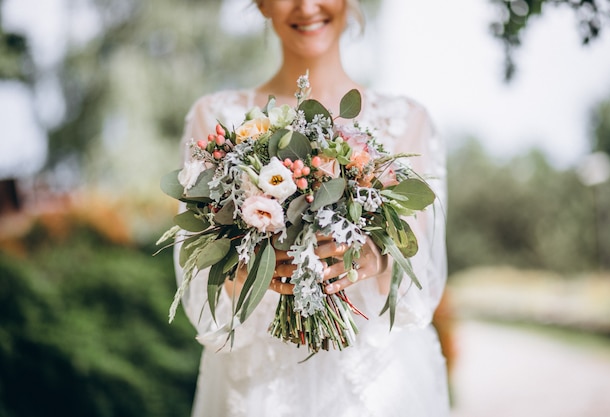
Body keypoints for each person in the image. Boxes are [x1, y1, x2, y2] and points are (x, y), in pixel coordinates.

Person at [174, 1, 450, 416]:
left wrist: (374, 258)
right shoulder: (215, 119)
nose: (306, 6)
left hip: (378, 377)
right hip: (259, 374)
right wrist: (245, 268)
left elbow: (422, 268)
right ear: (263, 5)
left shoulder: (406, 121)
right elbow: (194, 262)